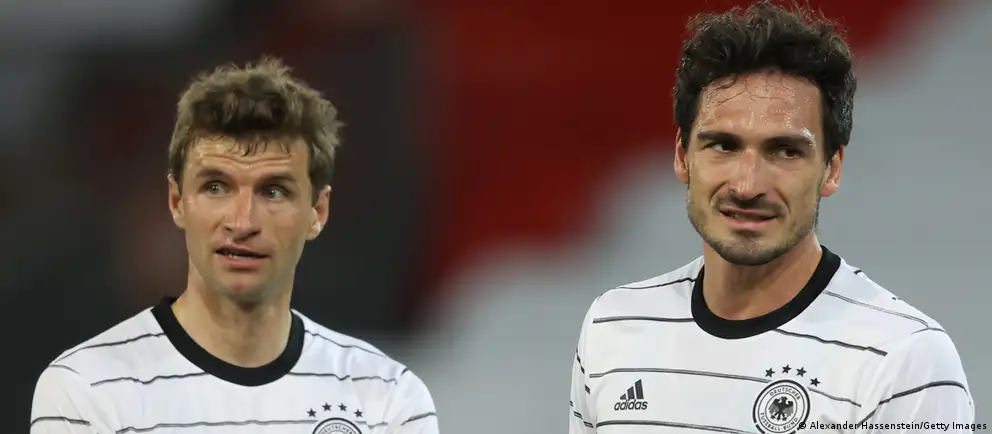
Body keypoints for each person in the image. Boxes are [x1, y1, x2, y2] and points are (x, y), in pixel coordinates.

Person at [568, 2, 976, 433]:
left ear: (832, 169)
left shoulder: (905, 360)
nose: (747, 186)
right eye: (723, 146)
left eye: (785, 151)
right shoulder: (612, 326)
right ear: (682, 156)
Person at [30, 57, 439, 434]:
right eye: (216, 187)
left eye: (274, 192)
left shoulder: (388, 397)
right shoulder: (85, 389)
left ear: (317, 211)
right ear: (177, 202)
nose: (242, 223)